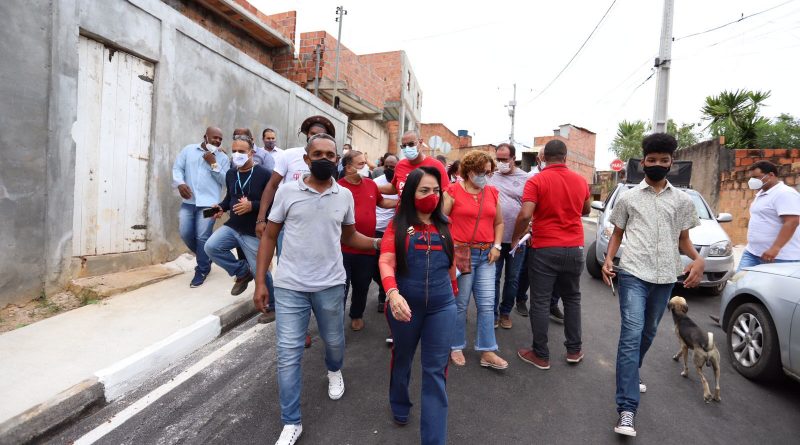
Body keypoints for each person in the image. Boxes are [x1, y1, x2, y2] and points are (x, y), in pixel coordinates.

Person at [253, 134, 380, 445]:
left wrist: (380, 242)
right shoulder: (286, 192)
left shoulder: (344, 197)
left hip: (330, 285)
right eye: (318, 154)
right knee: (287, 354)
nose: (324, 158)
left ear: (337, 159)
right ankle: (291, 421)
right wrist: (260, 281)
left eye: (330, 154)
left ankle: (334, 370)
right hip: (290, 286)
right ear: (307, 160)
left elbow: (350, 238)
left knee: (335, 342)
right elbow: (270, 236)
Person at [600, 133, 704, 437]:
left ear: (671, 163)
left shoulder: (683, 201)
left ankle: (630, 372)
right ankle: (627, 408)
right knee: (631, 335)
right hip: (632, 273)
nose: (657, 164)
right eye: (652, 159)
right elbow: (617, 233)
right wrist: (609, 259)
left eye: (663, 160)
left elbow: (684, 241)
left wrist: (699, 260)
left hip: (665, 278)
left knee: (648, 332)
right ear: (643, 162)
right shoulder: (629, 197)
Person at [378, 166, 457, 444]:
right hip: (404, 307)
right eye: (424, 190)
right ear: (411, 193)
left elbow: (450, 266)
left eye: (436, 190)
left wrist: (454, 298)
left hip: (442, 307)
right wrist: (393, 293)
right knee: (402, 357)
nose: (432, 196)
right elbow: (386, 261)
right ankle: (399, 404)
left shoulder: (445, 225)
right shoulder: (397, 226)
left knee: (436, 372)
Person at [512, 140, 591, 372]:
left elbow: (525, 214)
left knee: (540, 300)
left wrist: (517, 237)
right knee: (572, 298)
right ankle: (574, 350)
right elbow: (585, 210)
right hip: (575, 247)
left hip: (545, 247)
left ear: (543, 158)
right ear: (566, 158)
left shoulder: (536, 180)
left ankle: (540, 354)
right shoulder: (580, 180)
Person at [254, 116, 335, 329]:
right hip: (288, 226)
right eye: (312, 135)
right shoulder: (289, 156)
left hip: (319, 227)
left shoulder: (330, 160)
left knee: (315, 274)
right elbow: (272, 186)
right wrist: (262, 218)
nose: (316, 138)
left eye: (321, 135)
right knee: (290, 272)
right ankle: (298, 324)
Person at [443, 151, 507, 369]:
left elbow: (499, 223)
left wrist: (497, 246)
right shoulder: (451, 192)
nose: (485, 177)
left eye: (488, 172)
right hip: (461, 253)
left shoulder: (492, 192)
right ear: (469, 171)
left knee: (488, 304)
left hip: (487, 254)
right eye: (481, 172)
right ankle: (456, 345)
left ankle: (487, 350)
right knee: (460, 304)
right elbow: (441, 223)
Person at [204, 139, 273, 305]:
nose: (237, 154)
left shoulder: (264, 173)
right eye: (234, 150)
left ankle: (272, 305)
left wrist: (252, 205)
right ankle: (242, 272)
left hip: (253, 230)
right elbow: (230, 199)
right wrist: (220, 207)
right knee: (211, 247)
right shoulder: (231, 173)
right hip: (233, 226)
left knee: (260, 272)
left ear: (251, 153)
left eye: (242, 151)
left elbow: (273, 202)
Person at [338, 150, 396, 331]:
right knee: (341, 287)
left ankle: (356, 315)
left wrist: (402, 203)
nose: (366, 167)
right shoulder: (338, 188)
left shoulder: (371, 185)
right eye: (360, 164)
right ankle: (335, 320)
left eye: (365, 162)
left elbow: (382, 202)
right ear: (348, 168)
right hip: (342, 248)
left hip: (367, 248)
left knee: (362, 285)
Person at [172, 127, 230, 287]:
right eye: (214, 138)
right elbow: (177, 168)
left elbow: (226, 181)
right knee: (185, 233)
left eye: (220, 139)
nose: (217, 141)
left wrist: (214, 164)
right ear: (205, 136)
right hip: (189, 202)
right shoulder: (188, 150)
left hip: (210, 204)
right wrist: (180, 183)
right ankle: (207, 256)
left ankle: (202, 269)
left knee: (202, 237)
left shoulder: (222, 158)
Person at [488, 143, 530, 329]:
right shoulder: (490, 177)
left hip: (517, 239)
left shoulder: (526, 179)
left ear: (514, 158)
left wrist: (526, 230)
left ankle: (505, 312)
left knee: (512, 279)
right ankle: (494, 314)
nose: (501, 162)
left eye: (505, 159)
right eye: (498, 159)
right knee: (494, 278)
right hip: (494, 239)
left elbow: (532, 208)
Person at [739, 160, 800, 269]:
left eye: (756, 177)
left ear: (771, 175)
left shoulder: (784, 193)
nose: (752, 181)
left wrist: (775, 248)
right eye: (751, 178)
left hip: (779, 257)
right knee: (740, 283)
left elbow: (792, 222)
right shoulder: (761, 193)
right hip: (752, 253)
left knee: (775, 286)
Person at [378, 131, 449, 197]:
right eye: (404, 146)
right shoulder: (400, 165)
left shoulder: (436, 165)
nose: (407, 148)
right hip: (404, 210)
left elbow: (446, 192)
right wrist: (374, 187)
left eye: (411, 144)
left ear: (420, 142)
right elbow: (394, 188)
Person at [372, 154, 399, 312]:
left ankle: (384, 295)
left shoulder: (400, 184)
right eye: (387, 166)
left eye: (393, 167)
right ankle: (383, 288)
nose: (389, 169)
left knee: (389, 264)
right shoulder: (377, 183)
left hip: (392, 231)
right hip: (375, 230)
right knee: (375, 267)